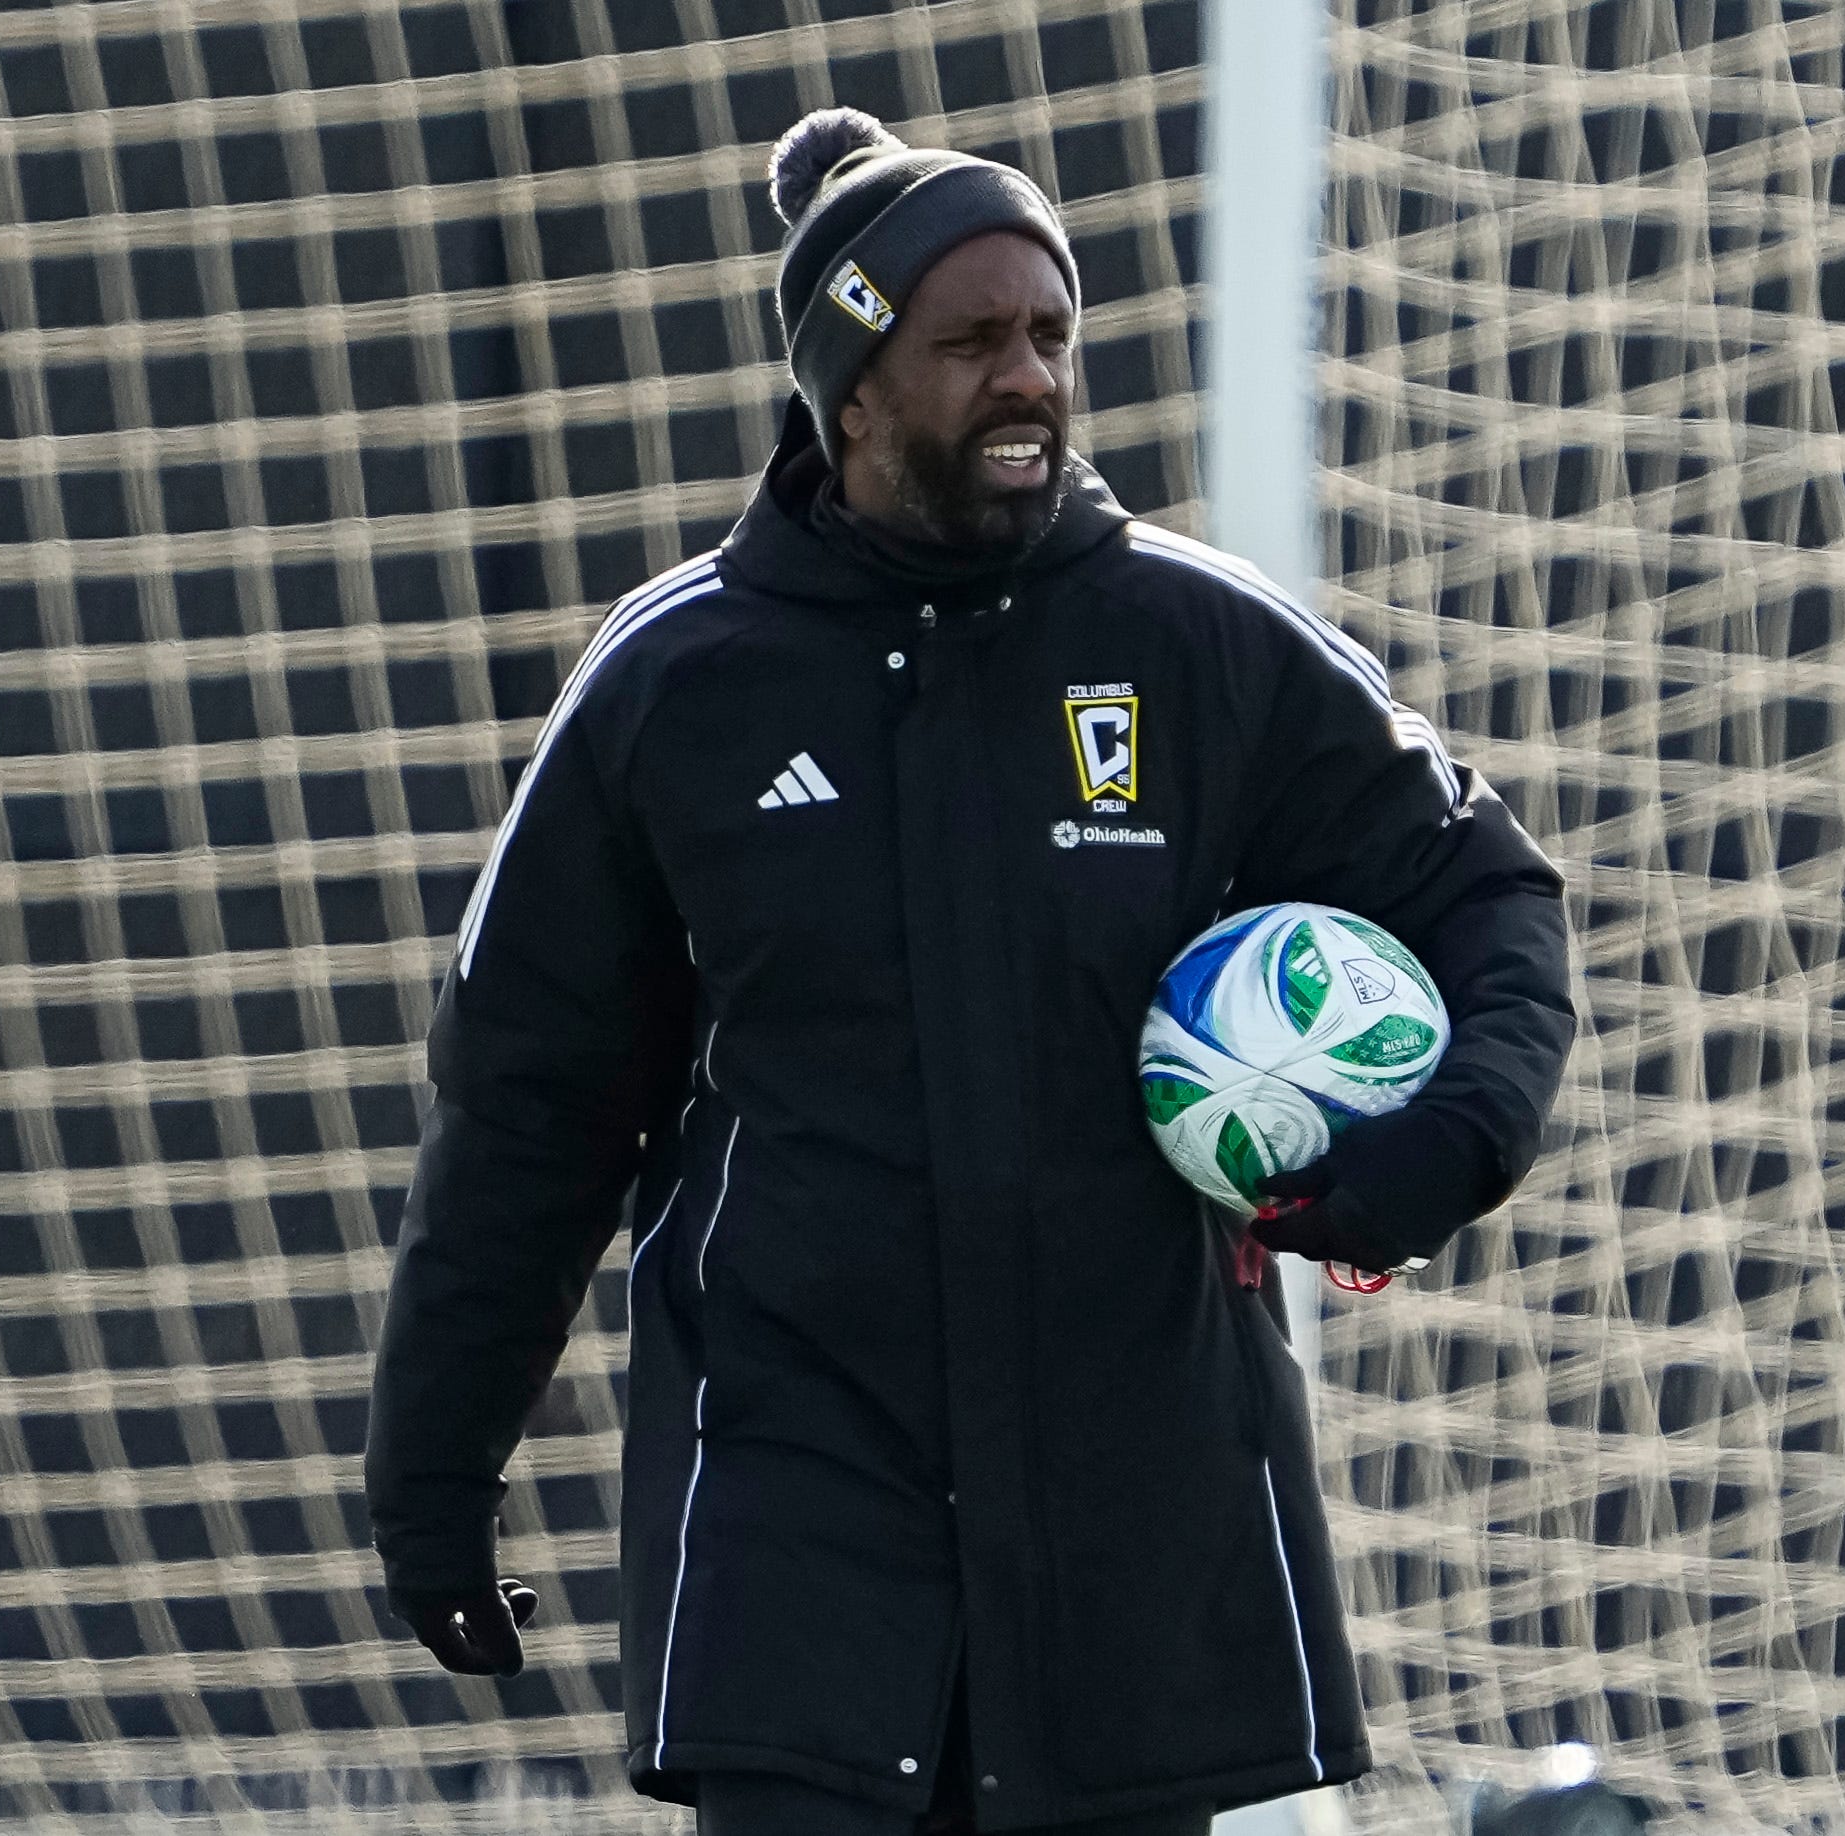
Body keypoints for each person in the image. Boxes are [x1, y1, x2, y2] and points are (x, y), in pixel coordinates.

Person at [363, 109, 1576, 1836]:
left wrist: (1441, 1143)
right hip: (798, 1522)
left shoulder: (1199, 643)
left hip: (1129, 1532)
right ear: (849, 387)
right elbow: (525, 1116)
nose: (1028, 380)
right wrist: (432, 1480)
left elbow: (1489, 897)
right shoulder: (672, 686)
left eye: (1049, 337)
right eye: (972, 343)